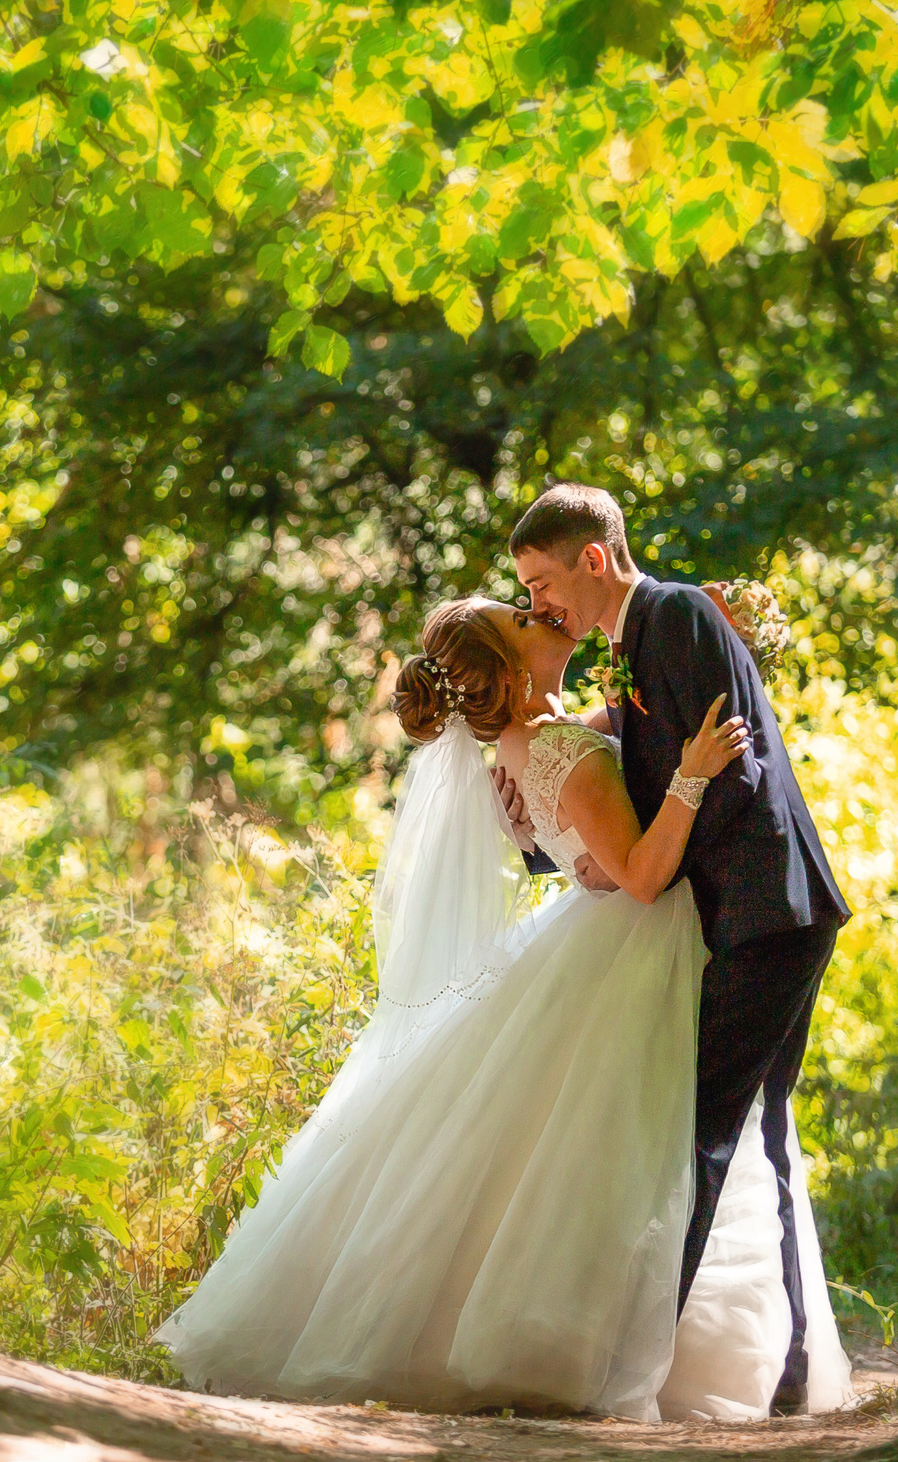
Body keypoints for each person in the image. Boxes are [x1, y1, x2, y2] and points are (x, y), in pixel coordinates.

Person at [156, 586, 851, 1419]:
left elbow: (605, 801)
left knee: (594, 1148)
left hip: (606, 945)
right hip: (633, 950)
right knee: (634, 1146)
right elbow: (637, 873)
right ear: (510, 672)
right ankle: (593, 1347)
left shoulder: (541, 738)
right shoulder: (556, 747)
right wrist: (691, 777)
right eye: (521, 620)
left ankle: (643, 1339)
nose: (541, 614)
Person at [505, 482, 853, 1414]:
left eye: (541, 583)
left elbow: (731, 775)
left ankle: (634, 1363)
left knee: (699, 1134)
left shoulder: (679, 615)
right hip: (754, 916)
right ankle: (786, 1365)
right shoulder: (633, 643)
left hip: (766, 912)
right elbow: (639, 776)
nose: (539, 605)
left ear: (592, 558)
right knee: (750, 1134)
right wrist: (552, 827)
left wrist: (642, 869)